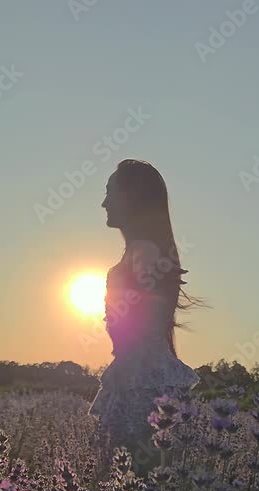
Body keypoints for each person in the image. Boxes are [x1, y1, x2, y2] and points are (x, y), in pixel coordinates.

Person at [89, 159, 200, 473]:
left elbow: (148, 319)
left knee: (132, 472)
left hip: (141, 380)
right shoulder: (140, 251)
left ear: (132, 198)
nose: (104, 202)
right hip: (136, 372)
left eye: (111, 193)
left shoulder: (144, 252)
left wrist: (128, 364)